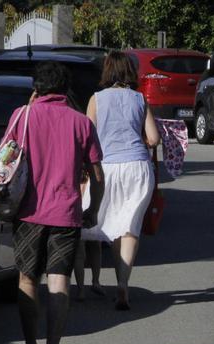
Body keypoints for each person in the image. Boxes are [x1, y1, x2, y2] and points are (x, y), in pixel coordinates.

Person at [5, 61, 105, 344]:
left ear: (37, 89)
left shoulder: (22, 116)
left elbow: (4, 161)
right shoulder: (81, 123)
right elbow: (97, 175)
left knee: (27, 278)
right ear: (66, 89)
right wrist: (94, 209)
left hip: (27, 212)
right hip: (66, 212)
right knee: (59, 280)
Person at [82, 50, 160, 310]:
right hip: (138, 167)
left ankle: (92, 282)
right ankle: (123, 284)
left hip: (107, 167)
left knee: (110, 224)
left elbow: (86, 135)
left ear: (108, 70)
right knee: (129, 226)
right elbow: (154, 138)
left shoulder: (96, 99)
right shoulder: (139, 99)